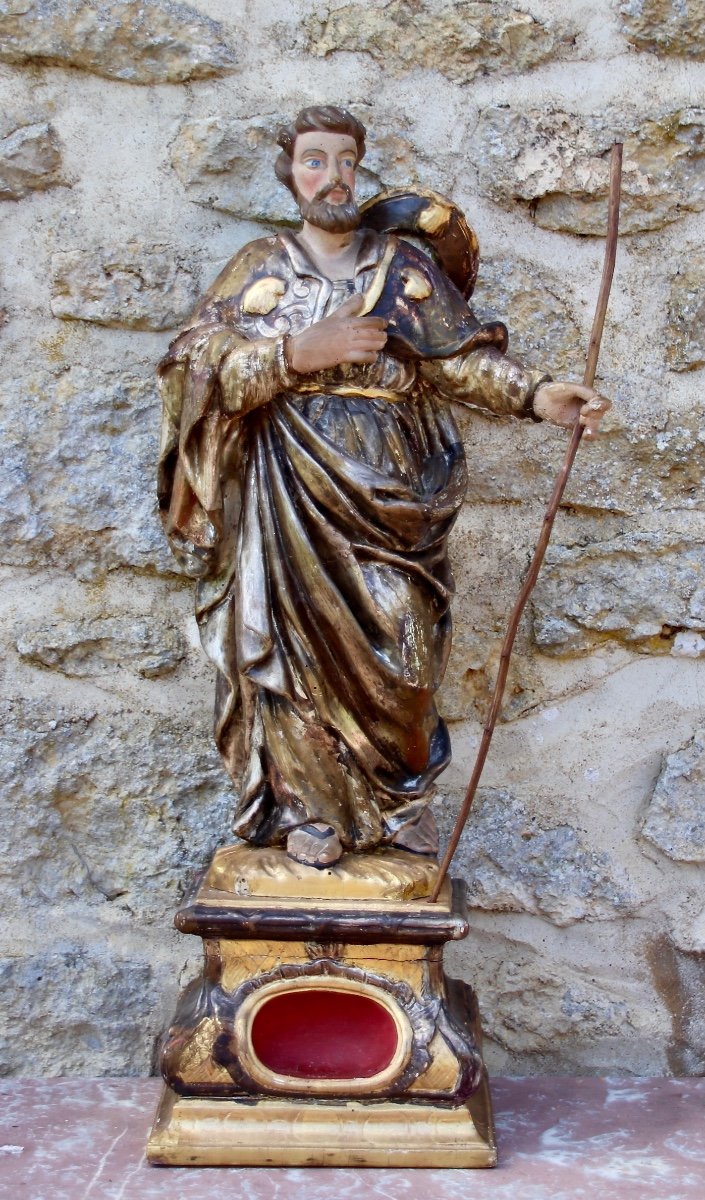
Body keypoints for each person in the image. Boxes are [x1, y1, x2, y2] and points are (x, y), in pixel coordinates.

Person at [158, 106, 609, 870]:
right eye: (312, 160)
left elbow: (455, 361)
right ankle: (309, 809)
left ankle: (398, 800)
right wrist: (296, 353)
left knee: (401, 649)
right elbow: (190, 367)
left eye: (344, 160)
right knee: (292, 649)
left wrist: (537, 395)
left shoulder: (401, 269)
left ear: (359, 172)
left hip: (390, 493)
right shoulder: (260, 267)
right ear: (289, 174)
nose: (330, 175)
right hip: (287, 490)